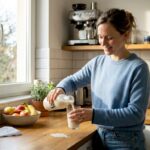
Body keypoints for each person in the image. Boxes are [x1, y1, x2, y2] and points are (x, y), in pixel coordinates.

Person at [47, 8, 150, 150]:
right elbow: (73, 80)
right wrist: (61, 88)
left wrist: (93, 114)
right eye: (100, 37)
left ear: (125, 35)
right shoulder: (97, 63)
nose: (103, 42)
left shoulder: (138, 67)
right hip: (99, 136)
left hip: (126, 142)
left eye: (110, 37)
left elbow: (135, 114)